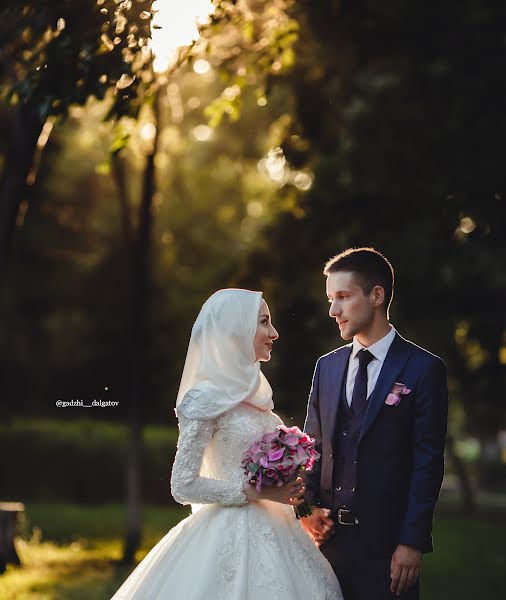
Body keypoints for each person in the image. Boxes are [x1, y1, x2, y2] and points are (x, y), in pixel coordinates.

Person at [110, 288, 342, 600]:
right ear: (235, 329)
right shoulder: (205, 398)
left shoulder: (258, 400)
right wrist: (256, 492)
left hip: (281, 536)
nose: (274, 332)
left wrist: (303, 508)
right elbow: (183, 484)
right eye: (264, 322)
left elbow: (275, 480)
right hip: (226, 535)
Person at [300, 248, 448, 600]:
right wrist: (305, 510)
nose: (333, 310)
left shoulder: (423, 369)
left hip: (388, 552)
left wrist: (412, 543)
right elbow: (310, 451)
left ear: (377, 296)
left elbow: (426, 464)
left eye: (343, 297)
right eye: (330, 299)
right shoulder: (327, 367)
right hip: (325, 547)